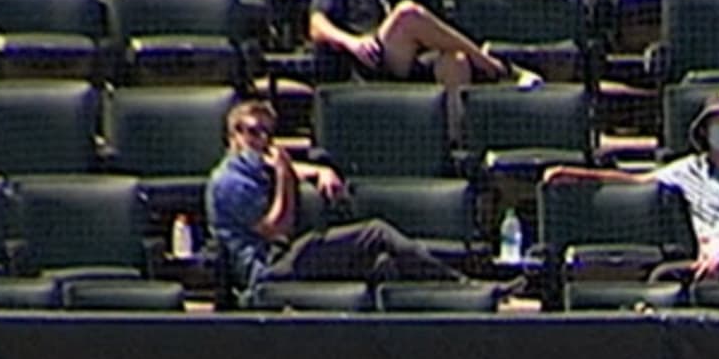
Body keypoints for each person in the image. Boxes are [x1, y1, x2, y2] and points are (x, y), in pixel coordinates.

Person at [204, 98, 510, 305]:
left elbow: (288, 168)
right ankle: (463, 288)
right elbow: (278, 227)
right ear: (234, 135)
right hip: (267, 270)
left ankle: (439, 308)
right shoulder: (229, 181)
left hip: (288, 257)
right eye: (254, 132)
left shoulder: (257, 167)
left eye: (268, 133)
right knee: (375, 233)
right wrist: (285, 174)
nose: (263, 140)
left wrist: (318, 171)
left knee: (382, 265)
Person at [538, 93, 719, 291]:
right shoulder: (688, 169)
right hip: (706, 256)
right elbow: (637, 181)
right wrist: (574, 174)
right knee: (663, 278)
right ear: (705, 131)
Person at [307, 0, 554, 99]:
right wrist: (351, 41)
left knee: (455, 61)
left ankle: (455, 144)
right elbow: (317, 25)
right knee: (407, 15)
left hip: (410, 62)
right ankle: (497, 67)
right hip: (367, 60)